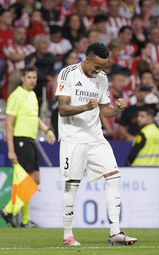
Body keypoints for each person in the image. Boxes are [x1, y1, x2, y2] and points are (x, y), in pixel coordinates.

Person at [55, 42, 137, 246]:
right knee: (72, 185)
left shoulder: (101, 78)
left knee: (114, 177)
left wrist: (116, 110)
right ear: (88, 58)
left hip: (95, 137)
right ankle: (67, 235)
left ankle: (115, 232)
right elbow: (62, 109)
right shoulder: (68, 74)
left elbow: (104, 110)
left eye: (103, 67)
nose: (99, 71)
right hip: (72, 138)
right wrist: (84, 106)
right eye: (97, 66)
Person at [0, 65, 56, 228]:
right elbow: (9, 125)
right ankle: (15, 214)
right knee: (28, 180)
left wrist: (47, 130)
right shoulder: (16, 96)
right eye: (29, 77)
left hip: (30, 140)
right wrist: (11, 149)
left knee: (34, 180)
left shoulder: (32, 95)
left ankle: (21, 218)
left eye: (34, 78)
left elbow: (34, 118)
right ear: (23, 78)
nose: (32, 80)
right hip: (21, 140)